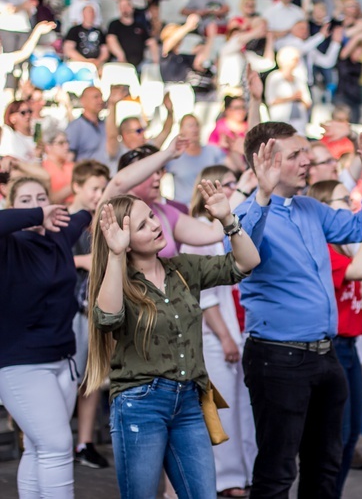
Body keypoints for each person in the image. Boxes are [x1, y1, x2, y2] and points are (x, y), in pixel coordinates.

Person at [235, 122, 362, 497]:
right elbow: (243, 255)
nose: (307, 162)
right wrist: (263, 194)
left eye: (306, 153)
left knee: (324, 467)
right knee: (276, 471)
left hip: (324, 356)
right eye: (296, 155)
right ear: (265, 163)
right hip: (277, 359)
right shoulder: (244, 214)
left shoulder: (310, 209)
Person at [84, 178, 259, 499]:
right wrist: (115, 255)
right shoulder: (117, 280)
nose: (154, 225)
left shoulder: (182, 268)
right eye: (142, 224)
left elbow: (246, 263)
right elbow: (106, 319)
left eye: (152, 216)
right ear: (125, 239)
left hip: (189, 402)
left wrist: (228, 221)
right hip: (140, 404)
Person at [0, 177, 91, 498]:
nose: (37, 204)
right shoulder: (7, 244)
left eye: (42, 197)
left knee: (39, 449)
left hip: (62, 359)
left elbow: (104, 195)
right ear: (11, 204)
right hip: (21, 365)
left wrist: (166, 155)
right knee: (57, 445)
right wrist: (38, 214)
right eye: (26, 200)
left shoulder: (58, 237)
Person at [180, 166, 257, 498]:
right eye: (226, 184)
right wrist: (225, 336)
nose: (232, 189)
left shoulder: (234, 229)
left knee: (246, 408)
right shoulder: (197, 235)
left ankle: (250, 470)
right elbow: (206, 297)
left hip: (243, 329)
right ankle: (227, 478)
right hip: (216, 336)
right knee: (222, 407)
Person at [307, 179, 362, 499]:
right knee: (337, 436)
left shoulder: (340, 247)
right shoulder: (322, 248)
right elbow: (360, 271)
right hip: (336, 346)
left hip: (349, 344)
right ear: (323, 206)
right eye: (343, 199)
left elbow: (360, 288)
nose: (351, 204)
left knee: (349, 436)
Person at [68, 160, 112, 471]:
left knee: (92, 379)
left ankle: (85, 442)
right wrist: (82, 260)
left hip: (94, 310)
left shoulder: (101, 221)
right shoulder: (64, 221)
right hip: (70, 311)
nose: (98, 194)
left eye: (102, 188)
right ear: (76, 187)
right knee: (70, 378)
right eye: (93, 188)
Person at [165, 115, 226, 205]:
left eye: (197, 125)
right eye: (190, 126)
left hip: (209, 206)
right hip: (183, 209)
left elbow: (231, 170)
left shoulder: (213, 151)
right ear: (181, 130)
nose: (195, 129)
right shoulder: (174, 156)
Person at [265, 46, 312, 135]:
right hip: (280, 120)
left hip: (300, 121)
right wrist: (292, 97)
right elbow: (270, 100)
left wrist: (301, 100)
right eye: (294, 59)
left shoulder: (299, 78)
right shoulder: (274, 77)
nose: (297, 62)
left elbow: (307, 101)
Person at [107, 0, 160, 68]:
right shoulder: (114, 24)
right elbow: (111, 40)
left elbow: (151, 41)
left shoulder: (139, 26)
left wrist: (156, 62)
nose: (125, 9)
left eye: (127, 6)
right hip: (120, 63)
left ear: (132, 7)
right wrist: (121, 56)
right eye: (122, 6)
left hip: (140, 63)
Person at [63, 5, 110, 70]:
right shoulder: (74, 30)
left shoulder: (100, 31)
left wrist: (98, 61)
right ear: (83, 14)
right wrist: (86, 61)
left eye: (92, 12)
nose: (91, 14)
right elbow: (68, 50)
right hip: (78, 63)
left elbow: (105, 51)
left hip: (97, 65)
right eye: (89, 12)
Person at [42, 131, 76, 204]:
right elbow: (50, 199)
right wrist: (76, 184)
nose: (67, 147)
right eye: (61, 143)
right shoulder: (43, 169)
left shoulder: (72, 166)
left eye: (67, 142)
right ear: (48, 147)